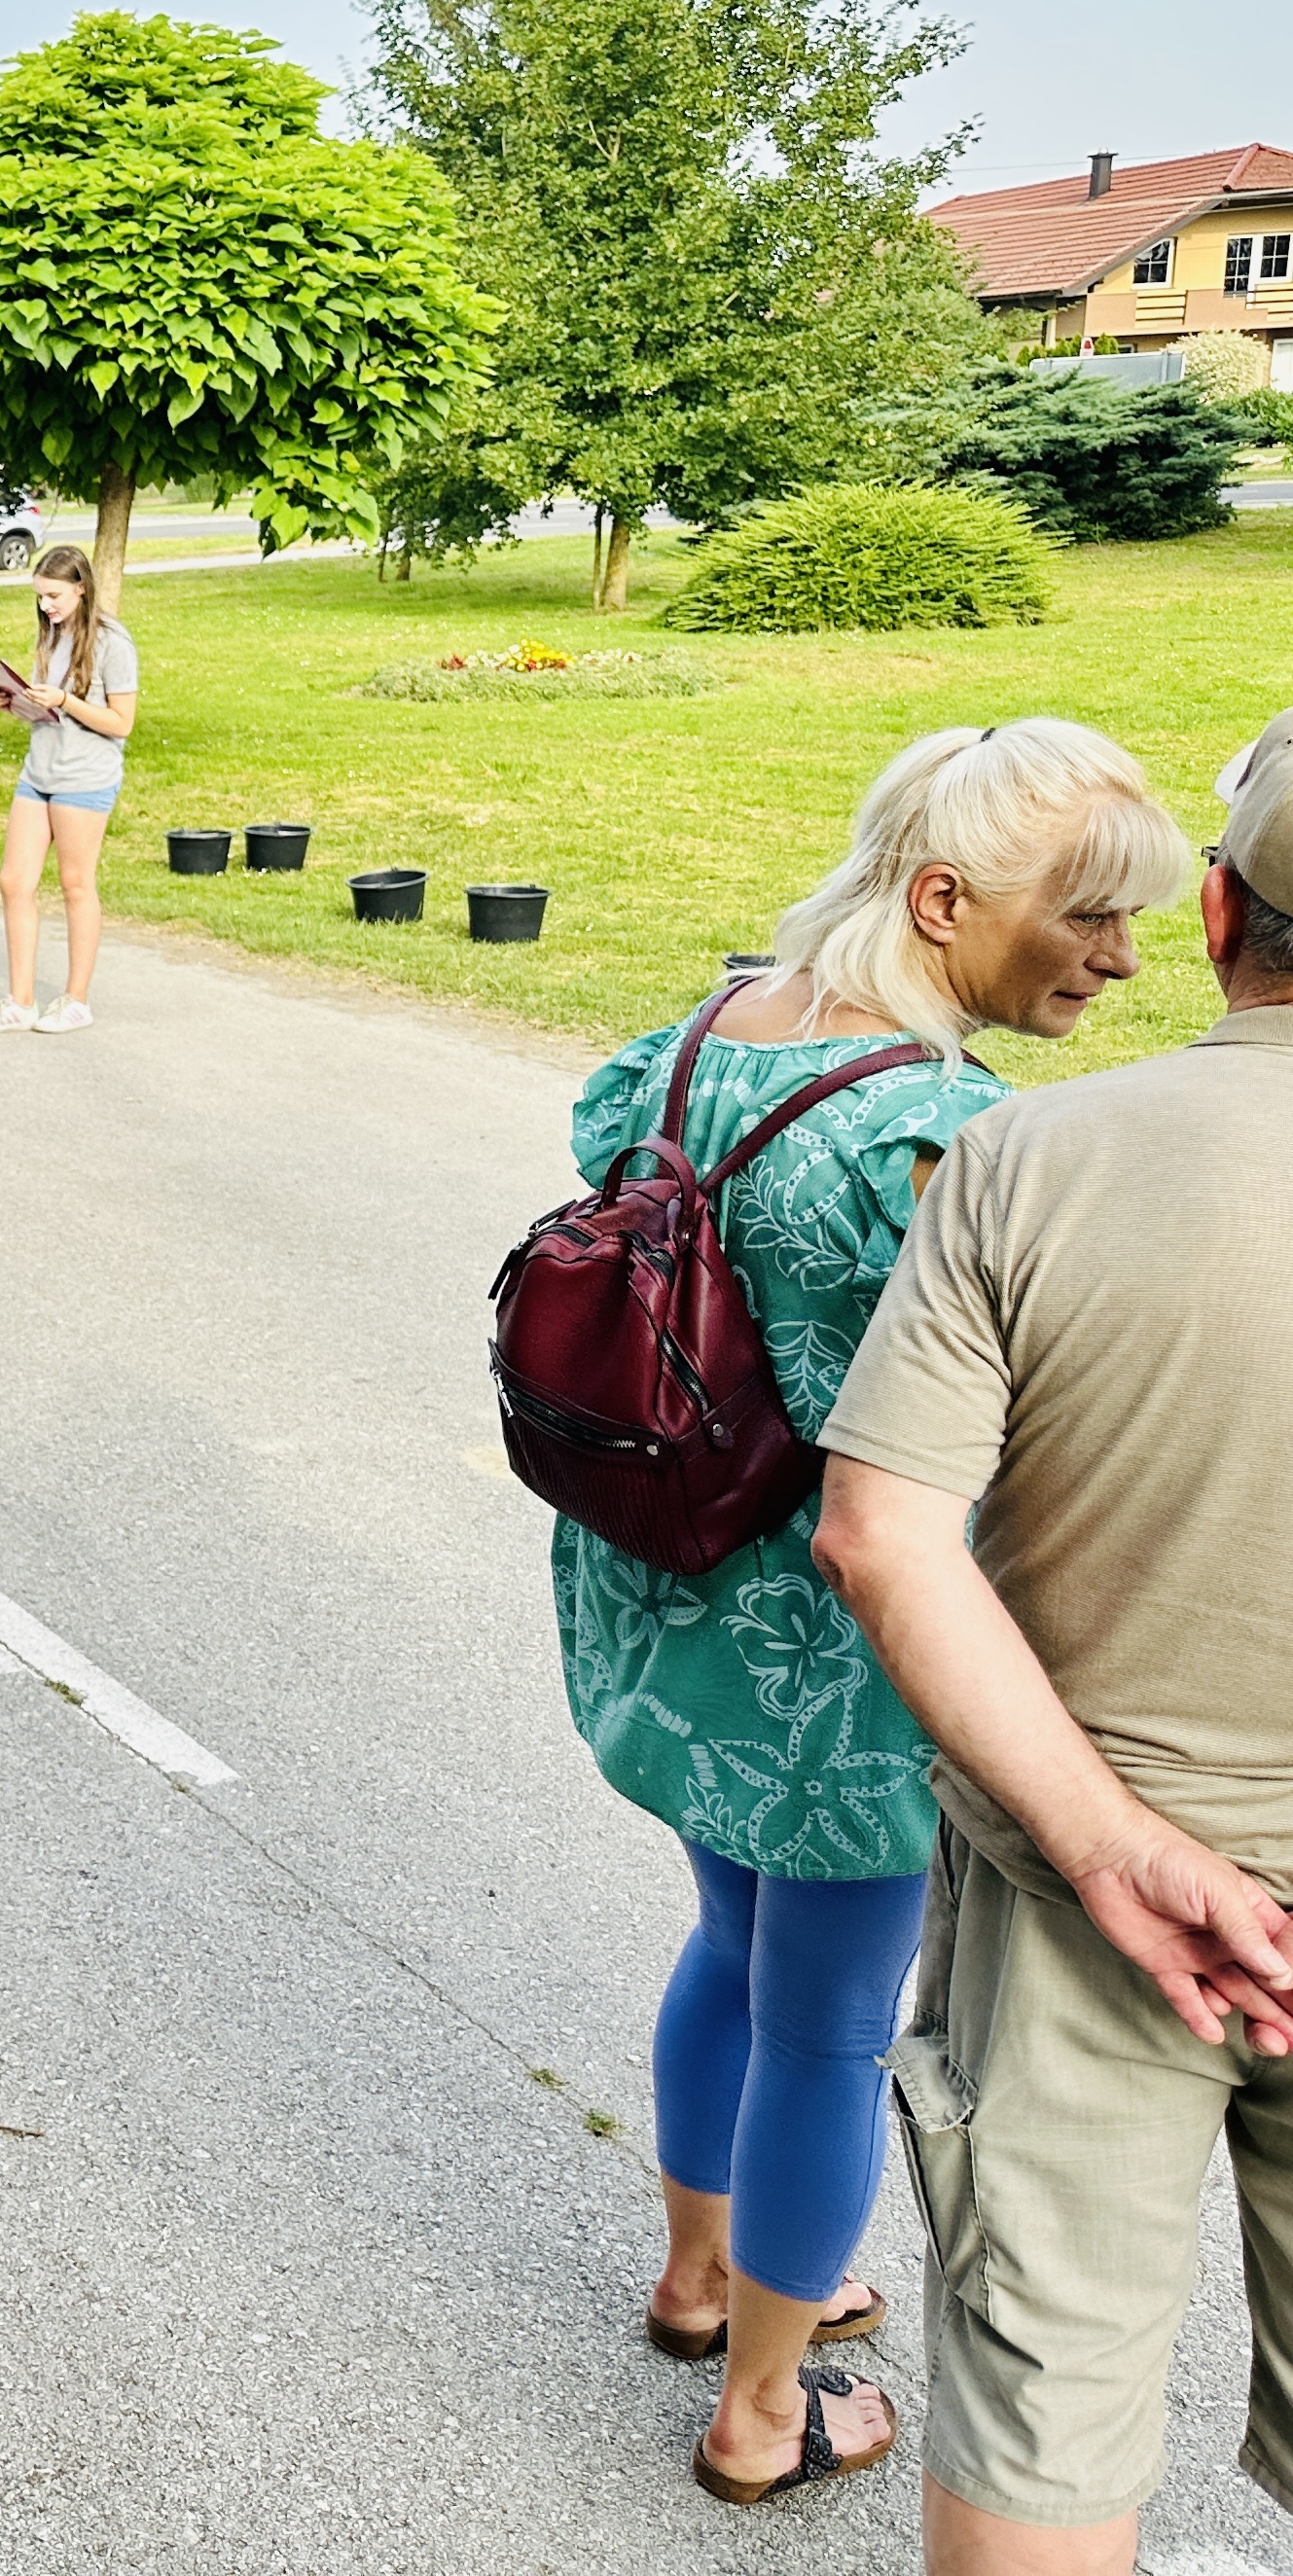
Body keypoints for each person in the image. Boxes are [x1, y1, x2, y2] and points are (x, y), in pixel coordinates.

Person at [544, 722, 1181, 2509]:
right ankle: (762, 2400)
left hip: (663, 1582)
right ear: (942, 899)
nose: (1122, 957)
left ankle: (696, 2273)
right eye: (1092, 918)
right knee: (827, 2020)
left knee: (730, 1953)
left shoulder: (689, 1037)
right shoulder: (949, 1135)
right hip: (842, 1655)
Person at [808, 739, 1293, 2569]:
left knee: (1040, 2408)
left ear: (1222, 912)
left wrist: (1113, 1845)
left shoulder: (1025, 1153)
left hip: (1089, 1894)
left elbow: (879, 1530)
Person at [0, 541, 139, 1037]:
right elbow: (47, 714)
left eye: (54, 596)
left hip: (85, 778)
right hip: (38, 772)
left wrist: (65, 699)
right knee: (13, 881)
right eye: (40, 597)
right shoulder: (51, 635)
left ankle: (76, 1000)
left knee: (75, 884)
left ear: (81, 589)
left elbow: (121, 723)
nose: (46, 606)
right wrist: (15, 701)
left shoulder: (113, 643)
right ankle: (20, 1003)